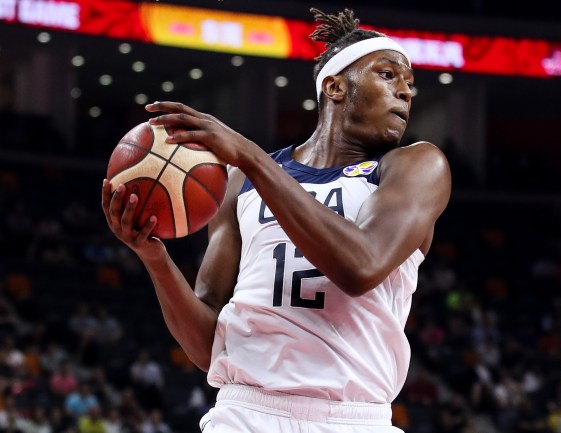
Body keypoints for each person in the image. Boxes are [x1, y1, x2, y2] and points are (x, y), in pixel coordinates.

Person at [101, 7, 451, 433]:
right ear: (335, 87)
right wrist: (153, 257)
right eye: (388, 75)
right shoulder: (240, 182)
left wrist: (250, 157)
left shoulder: (416, 166)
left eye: (410, 84)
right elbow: (208, 348)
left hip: (353, 417)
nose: (406, 92)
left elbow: (362, 266)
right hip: (245, 412)